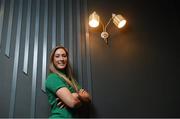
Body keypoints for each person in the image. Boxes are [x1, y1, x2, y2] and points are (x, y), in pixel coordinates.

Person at [45, 45, 91, 118]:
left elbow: (88, 99)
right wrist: (79, 96)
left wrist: (76, 96)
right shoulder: (53, 78)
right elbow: (73, 103)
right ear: (52, 60)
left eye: (64, 56)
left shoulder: (71, 80)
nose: (61, 59)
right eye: (57, 56)